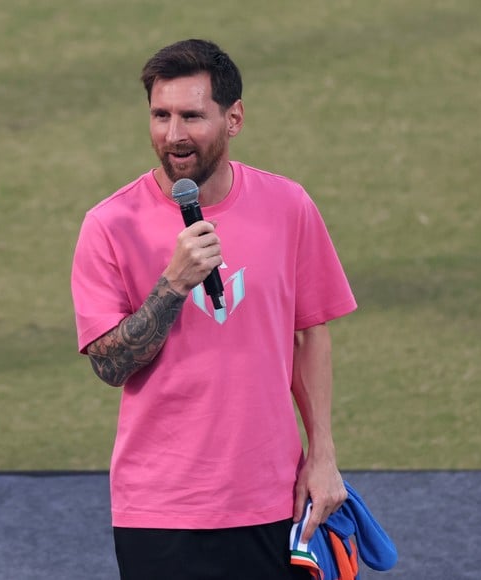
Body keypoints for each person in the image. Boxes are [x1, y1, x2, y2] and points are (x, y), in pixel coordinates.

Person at [70, 39, 357, 580]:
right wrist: (172, 285)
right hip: (159, 507)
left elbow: (309, 334)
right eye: (160, 115)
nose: (173, 135)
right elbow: (109, 366)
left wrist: (322, 456)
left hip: (272, 499)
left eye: (192, 116)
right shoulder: (109, 225)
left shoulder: (288, 206)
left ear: (234, 118)